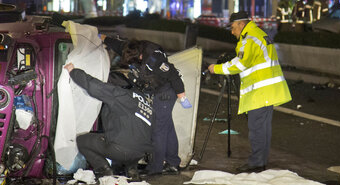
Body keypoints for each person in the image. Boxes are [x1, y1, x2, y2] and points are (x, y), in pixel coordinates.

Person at [207, 11, 292, 173]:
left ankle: (256, 163)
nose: (232, 32)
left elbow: (240, 63)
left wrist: (216, 69)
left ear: (241, 24)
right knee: (263, 128)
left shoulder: (249, 38)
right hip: (268, 90)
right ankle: (260, 161)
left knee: (257, 129)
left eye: (233, 28)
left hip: (259, 91)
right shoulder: (259, 34)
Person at [101, 35, 189, 176]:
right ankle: (173, 163)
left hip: (166, 92)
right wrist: (103, 38)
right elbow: (116, 44)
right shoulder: (129, 48)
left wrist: (182, 96)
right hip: (157, 91)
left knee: (157, 129)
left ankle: (156, 167)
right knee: (167, 127)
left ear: (140, 57)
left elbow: (173, 75)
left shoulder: (154, 59)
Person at [65, 63, 154, 182]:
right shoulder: (143, 101)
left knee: (82, 141)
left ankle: (104, 171)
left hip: (121, 150)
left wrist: (73, 72)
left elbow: (94, 86)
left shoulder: (119, 95)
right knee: (129, 140)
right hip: (140, 153)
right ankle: (132, 170)